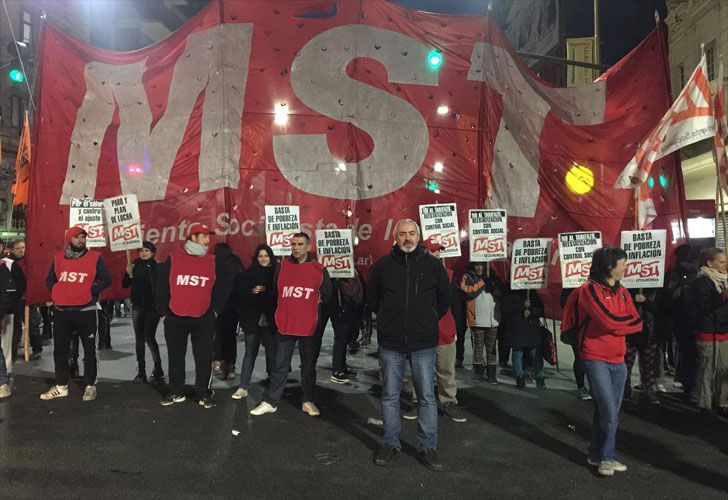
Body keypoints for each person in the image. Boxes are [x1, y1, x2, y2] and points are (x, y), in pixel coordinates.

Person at [366, 219, 450, 471]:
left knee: (426, 397)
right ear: (395, 237)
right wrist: (386, 317)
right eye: (402, 234)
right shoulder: (383, 266)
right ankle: (391, 443)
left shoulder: (432, 266)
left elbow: (445, 299)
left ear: (419, 235)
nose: (407, 238)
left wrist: (429, 316)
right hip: (391, 343)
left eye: (412, 233)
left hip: (423, 342)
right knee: (390, 395)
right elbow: (372, 299)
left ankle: (428, 447)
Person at [576, 246, 641, 476]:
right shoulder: (589, 289)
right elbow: (608, 321)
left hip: (618, 358)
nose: (626, 267)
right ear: (609, 266)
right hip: (595, 357)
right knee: (610, 411)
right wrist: (622, 325)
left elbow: (637, 321)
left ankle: (595, 453)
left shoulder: (623, 291)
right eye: (622, 263)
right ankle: (607, 458)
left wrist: (620, 325)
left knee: (603, 410)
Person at [249, 233, 331, 417]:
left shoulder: (319, 270)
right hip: (285, 324)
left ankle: (308, 400)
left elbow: (327, 296)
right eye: (293, 244)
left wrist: (310, 311)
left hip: (308, 326)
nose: (296, 247)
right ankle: (271, 401)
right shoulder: (282, 266)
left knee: (308, 365)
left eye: (300, 244)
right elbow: (275, 291)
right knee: (279, 364)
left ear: (308, 246)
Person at [155, 223, 234, 409]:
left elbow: (223, 287)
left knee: (203, 357)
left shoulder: (213, 261)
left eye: (209, 236)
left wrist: (214, 311)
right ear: (193, 237)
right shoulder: (174, 259)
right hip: (175, 316)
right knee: (175, 356)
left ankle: (204, 393)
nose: (208, 240)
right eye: (205, 236)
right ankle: (176, 391)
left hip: (203, 318)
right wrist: (163, 313)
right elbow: (161, 286)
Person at [41, 226, 112, 401]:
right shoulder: (58, 257)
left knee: (89, 349)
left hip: (85, 310)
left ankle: (90, 385)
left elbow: (107, 279)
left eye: (83, 237)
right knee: (60, 350)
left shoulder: (95, 257)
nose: (81, 240)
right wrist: (56, 291)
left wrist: (91, 290)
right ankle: (61, 385)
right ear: (69, 239)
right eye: (77, 237)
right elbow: (50, 279)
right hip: (62, 310)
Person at [424, 239, 467, 423]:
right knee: (422, 371)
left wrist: (456, 329)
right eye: (434, 252)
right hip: (423, 333)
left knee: (446, 371)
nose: (438, 255)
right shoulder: (416, 276)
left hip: (445, 333)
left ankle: (449, 402)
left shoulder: (448, 276)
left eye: (440, 252)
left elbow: (455, 306)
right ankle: (419, 402)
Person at [232, 244, 278, 400]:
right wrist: (251, 292)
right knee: (250, 352)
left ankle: (273, 383)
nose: (263, 259)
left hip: (271, 319)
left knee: (272, 353)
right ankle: (243, 385)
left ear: (271, 256)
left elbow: (280, 293)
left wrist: (267, 291)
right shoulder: (249, 273)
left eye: (266, 256)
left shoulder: (277, 272)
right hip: (252, 319)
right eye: (260, 256)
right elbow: (240, 294)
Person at [691, 247, 728, 418]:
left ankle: (722, 402)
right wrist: (722, 297)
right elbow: (703, 307)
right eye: (721, 261)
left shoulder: (724, 280)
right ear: (709, 263)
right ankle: (704, 404)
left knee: (723, 369)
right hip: (708, 330)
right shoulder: (702, 282)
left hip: (723, 330)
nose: (725, 264)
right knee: (707, 369)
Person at [122, 241, 164, 383]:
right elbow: (124, 285)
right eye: (141, 251)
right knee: (139, 339)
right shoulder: (133, 266)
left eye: (146, 250)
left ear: (152, 253)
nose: (143, 253)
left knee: (149, 337)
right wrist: (128, 274)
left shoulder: (158, 267)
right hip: (137, 307)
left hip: (152, 309)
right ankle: (141, 371)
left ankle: (158, 366)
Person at [662, 244, 698, 393]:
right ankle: (692, 382)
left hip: (679, 318)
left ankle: (685, 381)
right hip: (697, 320)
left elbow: (667, 297)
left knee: (683, 350)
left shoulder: (673, 273)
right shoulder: (699, 273)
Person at [460, 262, 503, 383]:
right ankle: (478, 373)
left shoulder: (494, 277)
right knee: (478, 348)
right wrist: (482, 282)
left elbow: (502, 292)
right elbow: (468, 292)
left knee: (491, 348)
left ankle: (491, 374)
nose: (479, 268)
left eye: (482, 265)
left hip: (493, 319)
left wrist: (495, 286)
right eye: (477, 265)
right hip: (477, 318)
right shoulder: (467, 277)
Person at [500, 287, 546, 389]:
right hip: (516, 328)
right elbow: (504, 308)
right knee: (517, 353)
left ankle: (540, 378)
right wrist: (522, 306)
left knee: (535, 354)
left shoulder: (532, 292)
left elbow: (541, 310)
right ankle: (519, 378)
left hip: (531, 329)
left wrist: (531, 311)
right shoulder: (509, 292)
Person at [323, 271, 363, 384]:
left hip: (345, 307)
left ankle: (341, 366)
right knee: (340, 338)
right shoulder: (329, 273)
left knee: (343, 337)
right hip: (334, 306)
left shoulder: (351, 270)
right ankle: (337, 369)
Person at [212, 243, 245, 380]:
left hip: (215, 305)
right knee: (230, 336)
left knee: (216, 334)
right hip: (233, 305)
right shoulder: (236, 261)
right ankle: (230, 365)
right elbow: (242, 281)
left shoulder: (212, 261)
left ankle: (217, 362)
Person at [624, 289, 661, 405]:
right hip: (630, 332)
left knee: (648, 364)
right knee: (626, 364)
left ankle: (648, 389)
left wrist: (645, 302)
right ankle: (625, 389)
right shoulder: (626, 290)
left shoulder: (656, 290)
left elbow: (661, 309)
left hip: (649, 332)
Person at [8, 238, 42, 361]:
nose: (21, 250)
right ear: (12, 250)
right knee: (16, 327)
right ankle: (13, 352)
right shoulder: (9, 263)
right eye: (18, 248)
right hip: (16, 300)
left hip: (29, 298)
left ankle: (37, 349)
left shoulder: (30, 262)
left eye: (23, 247)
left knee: (33, 326)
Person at [0, 242, 24, 395]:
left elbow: (20, 286)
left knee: (6, 343)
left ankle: (6, 374)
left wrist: (9, 306)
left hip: (7, 311)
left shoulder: (9, 265)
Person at [560, 288, 591, 400]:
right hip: (575, 328)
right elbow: (563, 302)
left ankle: (592, 386)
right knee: (580, 357)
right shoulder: (570, 286)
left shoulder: (595, 284)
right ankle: (581, 386)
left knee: (592, 358)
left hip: (592, 328)